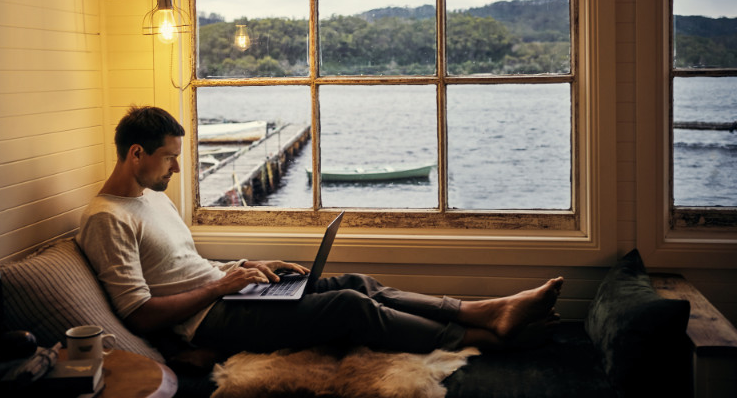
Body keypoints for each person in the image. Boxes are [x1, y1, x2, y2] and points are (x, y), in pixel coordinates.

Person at [77, 106, 563, 357]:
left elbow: (183, 269)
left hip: (227, 295)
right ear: (136, 154)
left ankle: (484, 310)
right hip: (210, 322)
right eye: (169, 157)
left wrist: (247, 270)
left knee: (356, 283)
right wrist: (222, 287)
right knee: (348, 307)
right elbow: (140, 316)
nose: (177, 169)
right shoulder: (107, 218)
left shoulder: (152, 198)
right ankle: (482, 340)